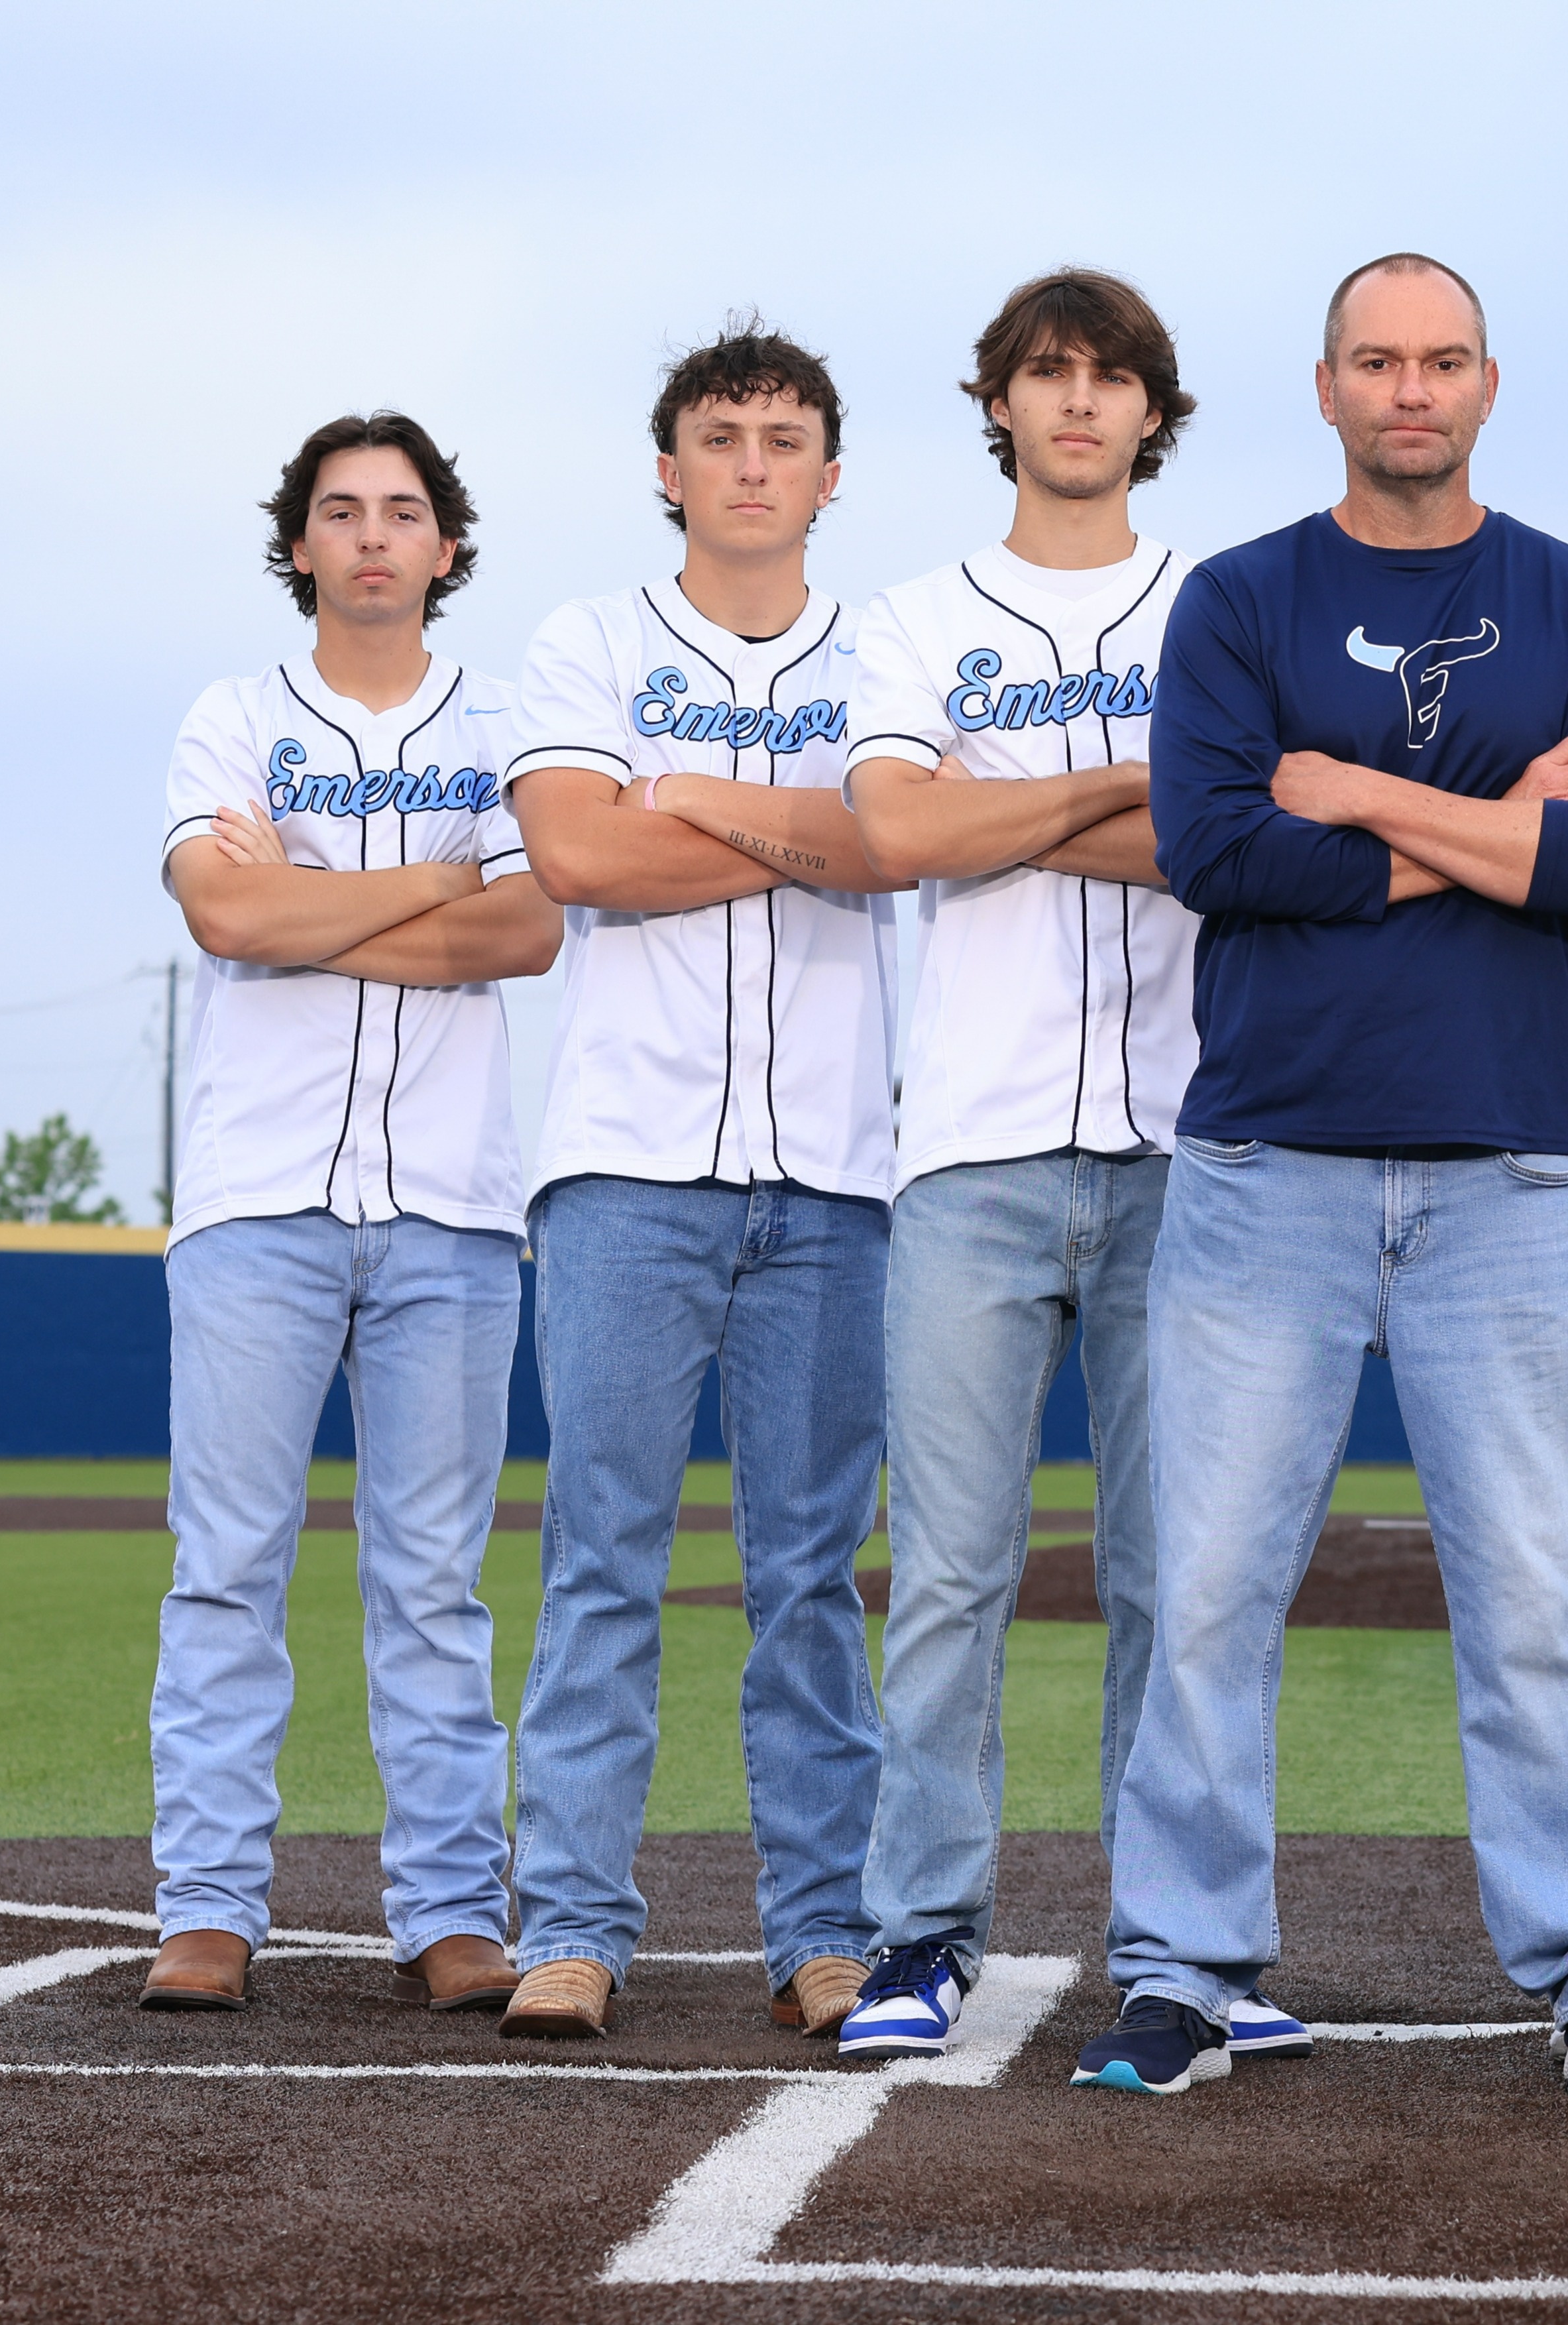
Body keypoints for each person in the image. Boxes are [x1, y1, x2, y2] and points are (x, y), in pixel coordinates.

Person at [1074, 252, 1568, 2102]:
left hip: (1507, 1172)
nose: (1409, 389)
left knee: (1541, 1596)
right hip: (1267, 1164)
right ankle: (1181, 1963)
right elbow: (1214, 845)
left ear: (1487, 383)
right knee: (1206, 1590)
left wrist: (1360, 792)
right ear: (1325, 387)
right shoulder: (1242, 596)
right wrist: (1496, 820)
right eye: (1376, 362)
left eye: (1440, 361)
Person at [830, 270, 1303, 2061]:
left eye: (1112, 377)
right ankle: (917, 1933)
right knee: (949, 1567)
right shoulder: (910, 614)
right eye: (1049, 373)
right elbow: (896, 829)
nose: (1080, 402)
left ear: (1152, 412)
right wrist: (1130, 787)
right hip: (968, 1143)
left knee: (1180, 1575)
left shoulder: (1228, 601)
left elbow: (1241, 843)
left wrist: (1011, 808)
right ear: (1001, 403)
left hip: (1201, 1142)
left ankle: (1180, 1941)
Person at [498, 325, 905, 2041]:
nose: (750, 461)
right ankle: (574, 1926)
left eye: (783, 435)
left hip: (834, 1174)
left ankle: (822, 1927)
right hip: (624, 1169)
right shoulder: (584, 637)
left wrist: (702, 800)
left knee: (810, 1575)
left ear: (830, 472)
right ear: (667, 468)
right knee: (604, 1555)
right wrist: (796, 827)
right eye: (719, 435)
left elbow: (895, 848)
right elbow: (576, 852)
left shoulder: (890, 653)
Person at [144, 412, 561, 2013]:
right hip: (255, 1201)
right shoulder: (232, 715)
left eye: (404, 510)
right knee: (227, 1564)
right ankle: (208, 1905)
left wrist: (314, 910)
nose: (374, 534)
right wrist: (432, 883)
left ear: (446, 547)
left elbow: (526, 933)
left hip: (453, 1209)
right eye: (341, 510)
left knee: (433, 1580)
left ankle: (453, 1906)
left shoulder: (512, 723)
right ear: (300, 543)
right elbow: (226, 907)